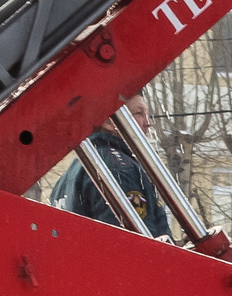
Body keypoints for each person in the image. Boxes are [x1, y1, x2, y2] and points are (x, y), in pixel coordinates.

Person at [53, 93, 173, 236]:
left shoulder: (71, 173)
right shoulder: (120, 169)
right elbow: (134, 243)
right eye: (139, 113)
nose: (148, 123)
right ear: (109, 121)